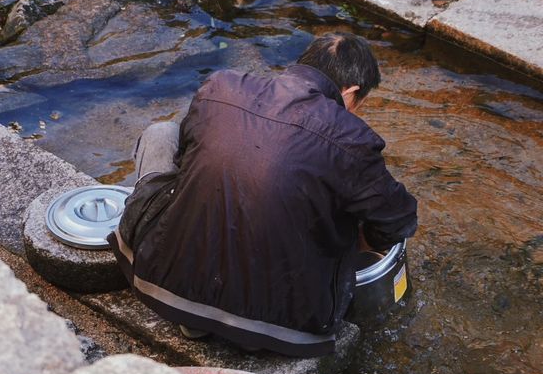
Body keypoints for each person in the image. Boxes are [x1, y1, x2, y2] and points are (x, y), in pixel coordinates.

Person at [108, 33, 417, 357]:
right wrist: (358, 243)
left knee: (162, 134)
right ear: (351, 91)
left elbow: (187, 162)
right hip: (287, 328)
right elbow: (399, 221)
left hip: (162, 287)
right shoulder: (351, 136)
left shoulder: (220, 87)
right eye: (359, 104)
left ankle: (197, 314)